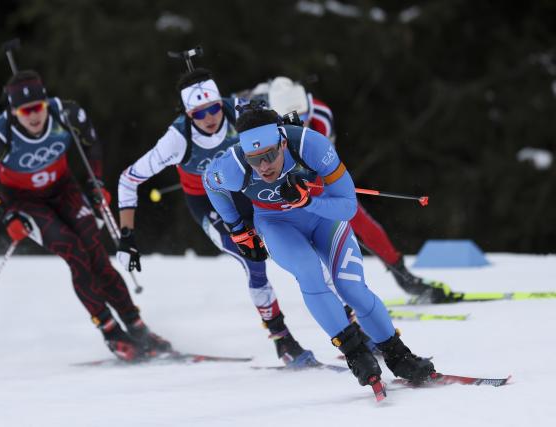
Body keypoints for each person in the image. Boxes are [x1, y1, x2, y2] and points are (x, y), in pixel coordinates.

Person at [202, 103, 436, 388]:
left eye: (270, 155)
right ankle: (355, 353)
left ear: (282, 141)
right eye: (255, 159)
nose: (263, 166)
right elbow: (211, 184)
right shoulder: (234, 165)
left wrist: (309, 201)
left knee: (352, 289)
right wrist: (237, 228)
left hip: (323, 218)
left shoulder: (310, 144)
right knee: (309, 272)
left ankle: (399, 356)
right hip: (277, 225)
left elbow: (348, 207)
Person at [116, 68, 317, 367]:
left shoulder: (238, 111)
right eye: (199, 114)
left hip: (248, 188)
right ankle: (283, 341)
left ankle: (351, 323)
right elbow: (127, 179)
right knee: (252, 258)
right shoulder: (176, 140)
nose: (209, 117)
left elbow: (280, 132)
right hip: (207, 202)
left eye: (213, 108)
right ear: (187, 114)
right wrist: (127, 236)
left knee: (307, 234)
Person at [0, 70, 170, 361]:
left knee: (97, 254)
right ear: (14, 111)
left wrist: (96, 183)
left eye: (38, 107)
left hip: (64, 190)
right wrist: (6, 215)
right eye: (26, 111)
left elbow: (91, 143)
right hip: (25, 202)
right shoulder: (0, 133)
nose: (34, 116)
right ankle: (110, 330)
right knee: (74, 252)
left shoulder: (66, 113)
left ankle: (136, 326)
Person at [260, 76, 458, 303]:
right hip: (282, 186)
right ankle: (331, 292)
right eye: (291, 120)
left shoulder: (322, 116)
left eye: (303, 117)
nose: (299, 123)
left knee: (356, 217)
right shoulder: (265, 124)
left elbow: (321, 163)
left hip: (315, 175)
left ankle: (403, 275)